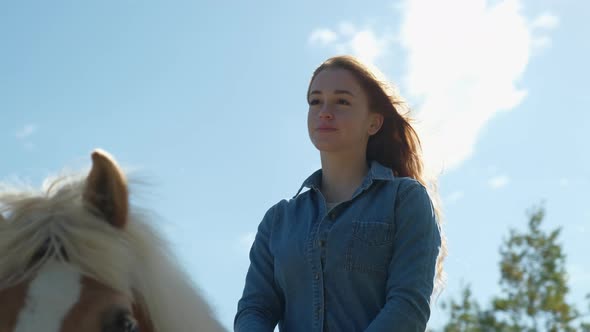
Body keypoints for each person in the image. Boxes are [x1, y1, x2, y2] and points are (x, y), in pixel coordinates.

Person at [234, 55, 447, 332]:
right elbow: (254, 310)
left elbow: (408, 305)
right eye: (315, 101)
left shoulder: (405, 200)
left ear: (374, 122)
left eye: (342, 101)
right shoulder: (278, 220)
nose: (324, 111)